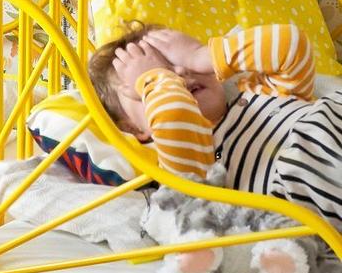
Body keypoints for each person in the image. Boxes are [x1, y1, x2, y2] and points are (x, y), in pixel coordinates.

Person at [86, 21, 340, 222]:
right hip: (316, 182)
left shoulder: (262, 90)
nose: (179, 73)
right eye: (147, 85)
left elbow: (291, 44)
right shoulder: (187, 158)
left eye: (178, 62)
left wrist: (202, 55)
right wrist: (157, 77)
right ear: (132, 129)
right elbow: (175, 116)